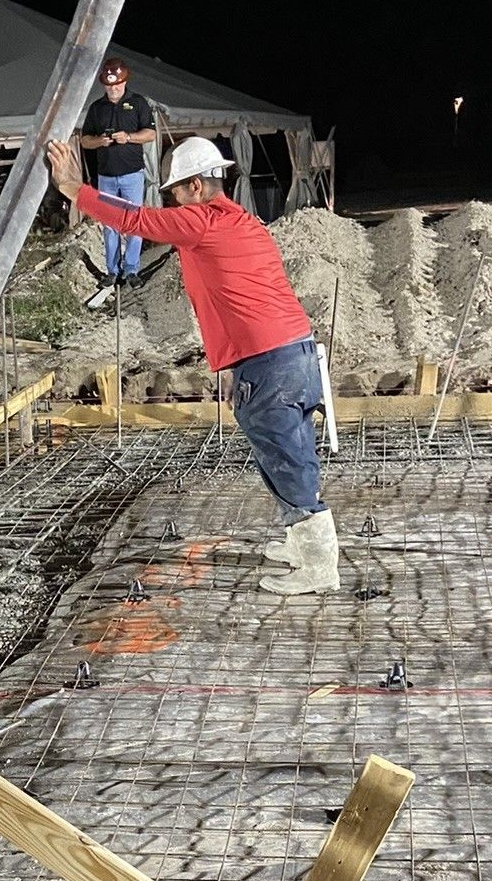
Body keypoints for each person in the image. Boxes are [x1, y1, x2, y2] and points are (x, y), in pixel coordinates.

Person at [48, 133, 339, 594]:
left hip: (271, 362)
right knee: (283, 451)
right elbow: (235, 295)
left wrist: (74, 189)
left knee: (286, 458)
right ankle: (299, 541)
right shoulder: (243, 221)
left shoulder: (201, 221)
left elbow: (134, 219)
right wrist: (228, 365)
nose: (174, 203)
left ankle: (321, 567)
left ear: (197, 187)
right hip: (290, 355)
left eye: (176, 192)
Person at [77, 58, 156, 284]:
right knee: (109, 224)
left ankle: (131, 269)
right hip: (106, 176)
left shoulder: (138, 103)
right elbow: (85, 140)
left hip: (132, 174)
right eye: (109, 85)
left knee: (133, 221)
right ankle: (113, 270)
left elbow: (150, 134)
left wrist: (128, 137)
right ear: (104, 85)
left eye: (117, 85)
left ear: (125, 82)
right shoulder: (96, 108)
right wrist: (100, 141)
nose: (114, 89)